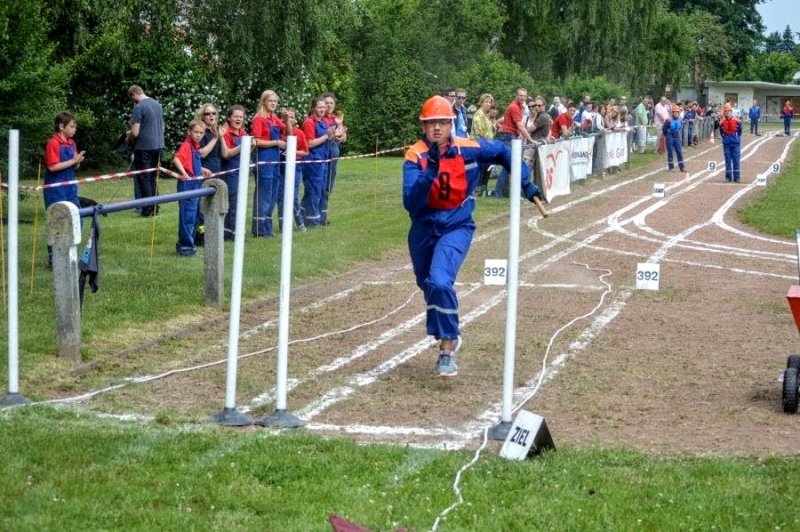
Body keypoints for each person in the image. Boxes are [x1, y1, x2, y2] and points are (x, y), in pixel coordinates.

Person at [402, 95, 542, 378]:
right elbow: (411, 202)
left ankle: (447, 347)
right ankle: (446, 330)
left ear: (451, 124)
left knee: (440, 281)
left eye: (443, 122)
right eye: (431, 123)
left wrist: (524, 182)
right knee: (427, 283)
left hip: (457, 224)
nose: (437, 128)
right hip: (423, 226)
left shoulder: (469, 147)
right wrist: (431, 171)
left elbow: (502, 151)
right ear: (423, 126)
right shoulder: (415, 156)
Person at [43, 111, 85, 266]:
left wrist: (77, 161)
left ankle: (69, 253)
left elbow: (74, 166)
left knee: (77, 218)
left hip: (70, 186)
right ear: (62, 126)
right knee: (57, 221)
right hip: (55, 187)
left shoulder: (71, 143)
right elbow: (53, 167)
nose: (75, 129)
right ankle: (53, 258)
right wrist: (73, 161)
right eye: (72, 126)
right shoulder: (53, 143)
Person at [172, 119, 212, 256]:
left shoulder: (195, 147)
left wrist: (202, 169)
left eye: (201, 133)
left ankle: (191, 243)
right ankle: (185, 247)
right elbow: (177, 159)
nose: (198, 135)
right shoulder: (187, 145)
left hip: (196, 184)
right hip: (187, 185)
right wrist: (183, 172)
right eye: (196, 132)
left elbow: (192, 164)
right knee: (187, 215)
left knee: (193, 215)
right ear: (189, 132)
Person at [251, 90, 286, 237]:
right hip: (264, 159)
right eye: (270, 101)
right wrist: (276, 142)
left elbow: (287, 131)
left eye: (275, 101)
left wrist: (287, 119)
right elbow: (256, 141)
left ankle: (267, 228)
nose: (273, 103)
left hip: (275, 159)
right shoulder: (258, 119)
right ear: (264, 101)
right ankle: (259, 228)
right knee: (264, 194)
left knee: (272, 194)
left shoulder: (274, 118)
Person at [126, 84, 164, 217]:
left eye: (132, 99)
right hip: (158, 145)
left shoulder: (139, 107)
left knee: (144, 178)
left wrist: (128, 137)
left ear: (133, 94)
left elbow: (135, 132)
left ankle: (148, 209)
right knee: (153, 178)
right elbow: (161, 127)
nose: (133, 101)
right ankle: (155, 207)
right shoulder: (157, 104)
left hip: (144, 147)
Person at [301, 95, 336, 227]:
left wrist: (334, 134)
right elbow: (309, 143)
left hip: (323, 160)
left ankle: (315, 217)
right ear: (313, 108)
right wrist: (326, 135)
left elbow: (327, 140)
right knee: (313, 190)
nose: (322, 109)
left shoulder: (324, 122)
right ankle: (311, 220)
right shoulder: (309, 122)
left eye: (323, 107)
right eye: (319, 107)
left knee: (321, 189)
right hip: (313, 161)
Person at [494, 88, 534, 197]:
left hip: (510, 135)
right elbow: (520, 125)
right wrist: (530, 139)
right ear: (516, 96)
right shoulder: (514, 107)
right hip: (508, 137)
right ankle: (498, 193)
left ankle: (501, 193)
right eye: (520, 95)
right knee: (509, 165)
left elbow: (509, 123)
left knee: (509, 166)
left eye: (524, 96)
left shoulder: (520, 107)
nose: (522, 98)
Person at [277, 107, 309, 232]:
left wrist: (292, 152)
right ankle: (283, 225)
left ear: (295, 120)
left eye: (292, 117)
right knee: (281, 196)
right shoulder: (279, 132)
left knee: (293, 196)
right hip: (281, 167)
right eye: (287, 117)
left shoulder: (299, 133)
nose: (289, 119)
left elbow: (305, 151)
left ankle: (300, 223)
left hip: (295, 167)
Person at [220, 104, 249, 241]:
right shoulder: (226, 133)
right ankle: (234, 233)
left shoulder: (243, 133)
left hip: (242, 171)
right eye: (236, 116)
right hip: (230, 172)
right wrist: (243, 146)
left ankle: (232, 232)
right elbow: (226, 154)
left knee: (240, 202)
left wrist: (251, 146)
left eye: (241, 117)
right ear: (229, 118)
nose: (238, 119)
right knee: (234, 203)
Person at [194, 103, 221, 245]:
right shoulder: (201, 132)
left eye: (213, 113)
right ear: (202, 116)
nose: (211, 116)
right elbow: (202, 153)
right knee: (202, 207)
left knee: (213, 206)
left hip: (217, 173)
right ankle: (200, 238)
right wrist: (215, 138)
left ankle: (211, 235)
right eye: (208, 114)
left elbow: (223, 153)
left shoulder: (215, 131)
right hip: (204, 174)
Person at [321, 92, 347, 226]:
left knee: (328, 186)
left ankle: (323, 215)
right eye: (326, 103)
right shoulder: (319, 118)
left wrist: (340, 135)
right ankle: (315, 215)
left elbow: (344, 138)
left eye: (331, 103)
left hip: (334, 155)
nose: (329, 105)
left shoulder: (336, 119)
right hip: (322, 155)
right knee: (320, 185)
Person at [719, 103, 742, 183]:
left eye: (728, 111)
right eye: (725, 111)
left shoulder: (737, 121)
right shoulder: (721, 122)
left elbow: (740, 132)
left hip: (735, 143)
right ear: (724, 112)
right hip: (726, 144)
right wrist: (726, 139)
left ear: (731, 111)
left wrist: (735, 138)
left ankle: (737, 177)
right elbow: (721, 133)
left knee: (736, 160)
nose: (727, 112)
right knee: (728, 161)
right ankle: (728, 177)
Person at [662, 104, 686, 173]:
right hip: (669, 136)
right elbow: (664, 129)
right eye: (675, 112)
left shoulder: (680, 119)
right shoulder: (668, 120)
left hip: (676, 136)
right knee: (670, 152)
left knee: (679, 151)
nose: (676, 113)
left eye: (677, 112)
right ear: (672, 113)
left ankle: (682, 167)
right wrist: (667, 136)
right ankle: (671, 167)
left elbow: (679, 127)